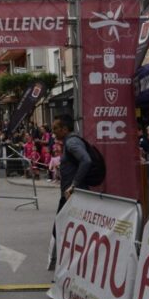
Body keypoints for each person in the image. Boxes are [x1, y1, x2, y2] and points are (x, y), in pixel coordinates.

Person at [49, 115, 92, 270]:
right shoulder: (69, 142)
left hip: (73, 195)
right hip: (69, 195)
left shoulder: (72, 141)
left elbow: (86, 160)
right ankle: (68, 263)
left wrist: (74, 184)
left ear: (65, 129)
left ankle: (69, 264)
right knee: (62, 228)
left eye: (56, 129)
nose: (53, 132)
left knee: (61, 228)